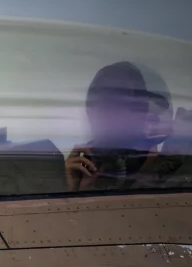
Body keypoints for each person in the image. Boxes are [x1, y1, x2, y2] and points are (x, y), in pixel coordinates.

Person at [65, 61, 178, 192]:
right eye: (103, 105)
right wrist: (73, 190)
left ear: (145, 114)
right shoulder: (85, 170)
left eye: (121, 104)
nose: (109, 115)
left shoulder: (173, 176)